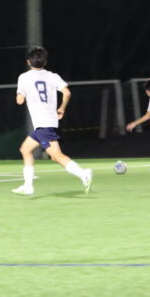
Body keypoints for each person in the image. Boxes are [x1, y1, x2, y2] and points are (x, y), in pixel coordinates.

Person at [12, 46, 92, 195]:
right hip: (48, 122)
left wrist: (20, 93)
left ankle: (83, 174)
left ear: (28, 61)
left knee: (56, 156)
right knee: (25, 149)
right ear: (45, 62)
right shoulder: (52, 76)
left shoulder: (24, 77)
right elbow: (67, 92)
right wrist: (62, 108)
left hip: (42, 124)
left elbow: (19, 101)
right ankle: (28, 186)